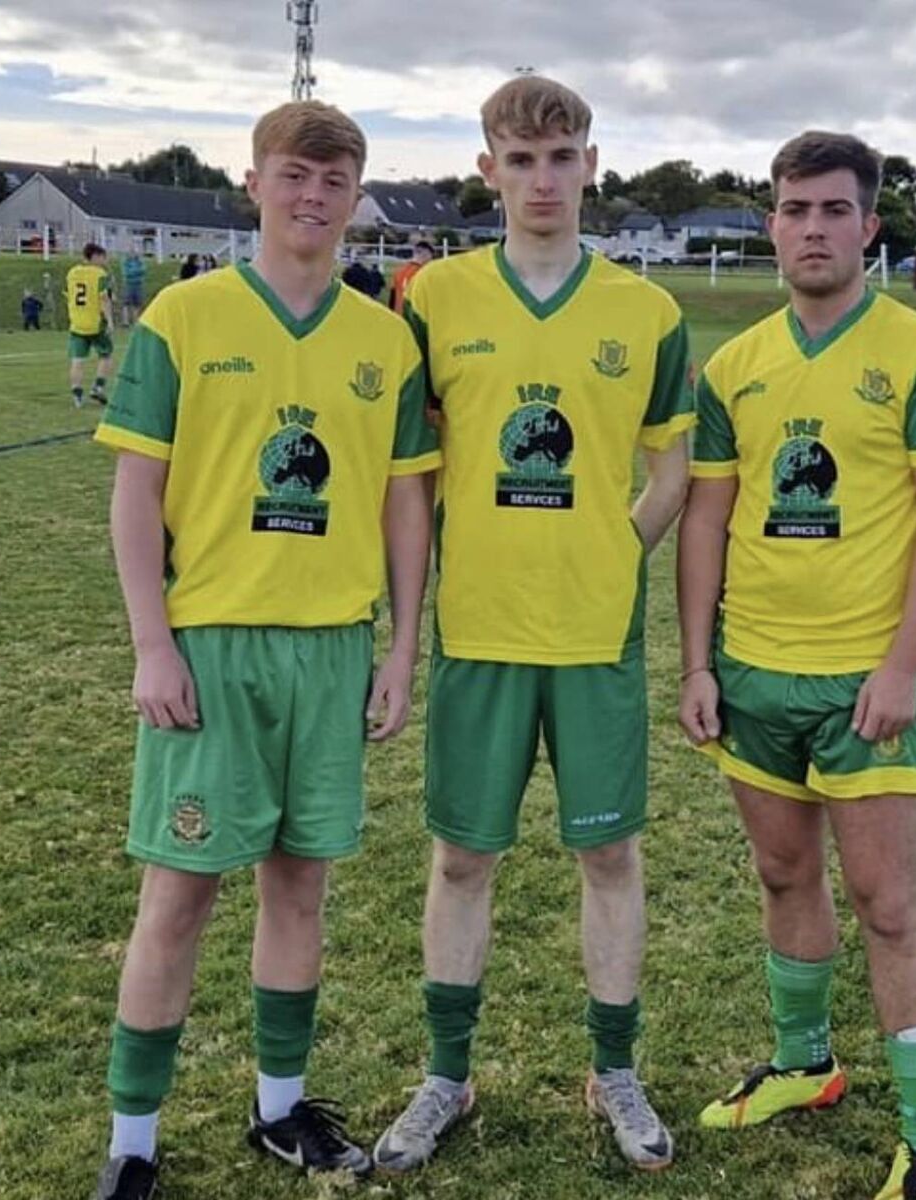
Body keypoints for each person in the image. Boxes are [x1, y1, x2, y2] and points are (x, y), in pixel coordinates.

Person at [90, 100, 440, 1200]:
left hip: (331, 650)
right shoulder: (184, 317)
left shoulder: (386, 340)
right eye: (294, 175)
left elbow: (405, 506)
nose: (313, 197)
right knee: (179, 897)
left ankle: (280, 1108)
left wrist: (401, 648)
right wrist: (153, 643)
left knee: (300, 890)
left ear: (357, 197)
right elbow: (136, 492)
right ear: (254, 184)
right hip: (212, 646)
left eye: (335, 181)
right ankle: (133, 1141)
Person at [373, 75, 694, 1174]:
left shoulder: (647, 312)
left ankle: (614, 1070)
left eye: (562, 158)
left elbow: (673, 468)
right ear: (489, 171)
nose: (544, 179)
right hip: (478, 628)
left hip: (596, 633)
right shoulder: (434, 297)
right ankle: (445, 1077)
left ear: (591, 166)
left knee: (610, 851)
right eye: (521, 159)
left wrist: (614, 549)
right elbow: (411, 469)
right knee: (463, 856)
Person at [677, 131, 916, 1200]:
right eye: (795, 209)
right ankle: (805, 1065)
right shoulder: (735, 365)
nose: (813, 229)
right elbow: (706, 520)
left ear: (867, 225)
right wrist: (698, 663)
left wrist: (903, 666)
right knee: (782, 875)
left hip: (865, 682)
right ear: (772, 223)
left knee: (888, 903)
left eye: (834, 210)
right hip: (754, 674)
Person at [66, 243, 114, 407]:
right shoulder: (99, 274)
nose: (104, 261)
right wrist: (109, 320)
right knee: (105, 355)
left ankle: (77, 395)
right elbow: (104, 299)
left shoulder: (72, 273)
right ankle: (97, 388)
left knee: (77, 360)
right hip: (95, 323)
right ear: (95, 256)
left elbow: (69, 295)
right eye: (103, 257)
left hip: (77, 323)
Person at [388, 240, 434, 313]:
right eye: (431, 257)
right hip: (415, 315)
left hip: (399, 314)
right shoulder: (424, 273)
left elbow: (392, 297)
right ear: (426, 254)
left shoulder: (398, 271)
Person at [121, 250, 147, 326]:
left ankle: (135, 320)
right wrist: (137, 272)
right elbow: (126, 273)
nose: (132, 254)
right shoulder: (126, 262)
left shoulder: (139, 262)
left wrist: (133, 271)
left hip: (138, 285)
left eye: (134, 252)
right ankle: (125, 321)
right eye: (131, 252)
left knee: (137, 304)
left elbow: (143, 270)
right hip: (128, 285)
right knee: (126, 303)